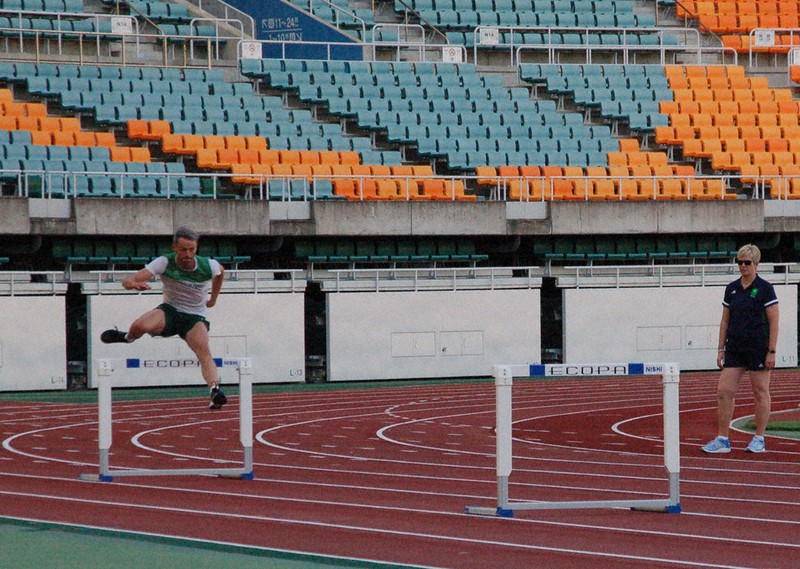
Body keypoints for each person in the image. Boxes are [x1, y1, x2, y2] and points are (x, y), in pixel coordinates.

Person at [100, 227, 227, 410]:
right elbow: (128, 279)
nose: (188, 254)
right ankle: (127, 337)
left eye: (192, 249)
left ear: (196, 247)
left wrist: (214, 298)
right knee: (140, 325)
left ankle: (214, 391)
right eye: (183, 249)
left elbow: (221, 273)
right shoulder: (164, 262)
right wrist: (133, 284)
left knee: (204, 352)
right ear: (175, 247)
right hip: (170, 311)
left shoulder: (209, 266)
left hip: (195, 317)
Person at [702, 244, 779, 454]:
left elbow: (774, 321)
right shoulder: (732, 288)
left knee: (760, 391)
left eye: (746, 263)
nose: (742, 266)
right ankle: (722, 438)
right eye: (739, 262)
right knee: (724, 391)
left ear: (756, 264)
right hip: (735, 347)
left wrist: (771, 350)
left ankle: (759, 438)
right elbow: (725, 320)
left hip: (758, 347)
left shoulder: (765, 288)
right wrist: (720, 349)